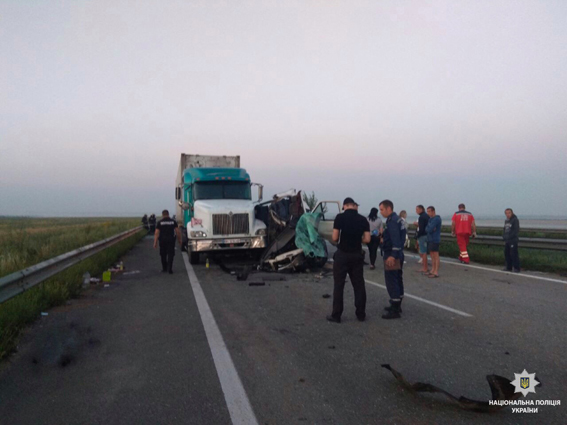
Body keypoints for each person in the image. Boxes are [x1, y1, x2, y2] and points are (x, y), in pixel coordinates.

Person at [327, 197, 371, 323]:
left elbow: (335, 237)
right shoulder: (363, 219)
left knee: (339, 285)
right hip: (357, 255)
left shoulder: (340, 217)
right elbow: (367, 239)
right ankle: (361, 314)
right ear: (354, 205)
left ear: (345, 206)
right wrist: (357, 239)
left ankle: (336, 315)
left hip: (342, 254)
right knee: (359, 284)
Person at [379, 200, 406, 319]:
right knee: (398, 279)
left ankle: (395, 309)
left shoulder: (392, 221)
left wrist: (392, 255)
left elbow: (395, 239)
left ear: (388, 208)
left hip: (392, 254)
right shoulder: (398, 219)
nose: (381, 212)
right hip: (399, 253)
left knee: (392, 281)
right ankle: (397, 304)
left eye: (382, 209)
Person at [153, 209, 182, 274]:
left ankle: (164, 268)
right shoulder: (173, 222)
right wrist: (179, 240)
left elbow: (156, 233)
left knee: (163, 254)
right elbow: (177, 231)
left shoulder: (160, 222)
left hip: (162, 240)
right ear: (168, 214)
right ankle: (170, 268)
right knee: (170, 254)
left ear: (162, 215)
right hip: (171, 240)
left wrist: (155, 242)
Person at [425, 206, 442, 278]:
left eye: (429, 211)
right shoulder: (430, 219)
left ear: (433, 211)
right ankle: (432, 269)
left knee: (435, 255)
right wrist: (429, 228)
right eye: (427, 211)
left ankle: (436, 272)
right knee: (432, 255)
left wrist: (429, 228)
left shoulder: (436, 219)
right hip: (430, 239)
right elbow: (427, 228)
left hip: (435, 239)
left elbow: (429, 229)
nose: (428, 213)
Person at [503, 208, 520, 273]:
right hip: (507, 240)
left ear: (512, 213)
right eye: (506, 213)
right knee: (507, 253)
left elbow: (516, 230)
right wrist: (504, 236)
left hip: (513, 240)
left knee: (514, 254)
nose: (508, 214)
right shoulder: (506, 221)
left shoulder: (515, 220)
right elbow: (504, 229)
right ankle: (508, 267)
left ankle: (516, 268)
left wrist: (510, 237)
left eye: (509, 213)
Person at [414, 205, 429, 273]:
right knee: (425, 251)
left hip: (422, 236)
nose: (416, 211)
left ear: (421, 209)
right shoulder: (426, 216)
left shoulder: (421, 217)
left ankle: (425, 268)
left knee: (423, 252)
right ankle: (425, 267)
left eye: (417, 209)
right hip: (427, 235)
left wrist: (418, 236)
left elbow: (421, 228)